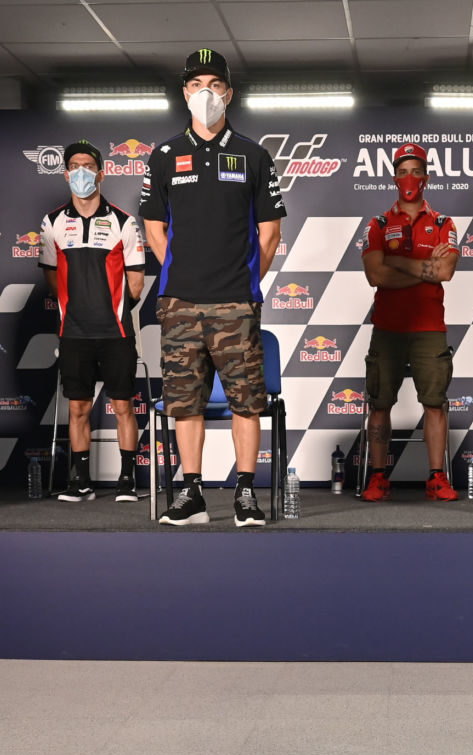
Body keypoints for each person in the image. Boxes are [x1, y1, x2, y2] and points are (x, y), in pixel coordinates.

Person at [140, 49, 286, 527]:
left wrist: (242, 280)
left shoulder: (253, 154)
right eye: (196, 83)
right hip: (180, 301)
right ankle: (192, 495)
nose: (206, 92)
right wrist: (183, 270)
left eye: (215, 83)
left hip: (236, 301)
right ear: (184, 93)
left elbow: (269, 234)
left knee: (246, 400)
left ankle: (246, 494)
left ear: (229, 92)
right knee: (185, 402)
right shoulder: (163, 156)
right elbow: (154, 229)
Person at [40, 140, 146, 502]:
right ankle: (80, 481)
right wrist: (77, 306)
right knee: (78, 407)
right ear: (66, 173)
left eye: (89, 165)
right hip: (73, 332)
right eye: (75, 166)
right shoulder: (52, 222)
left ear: (101, 174)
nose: (82, 171)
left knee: (123, 406)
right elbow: (51, 278)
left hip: (115, 330)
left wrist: (108, 307)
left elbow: (135, 282)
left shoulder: (123, 221)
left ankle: (127, 481)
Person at [358, 143, 460, 502]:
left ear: (426, 178)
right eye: (403, 172)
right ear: (394, 178)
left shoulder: (444, 223)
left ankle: (436, 478)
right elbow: (375, 275)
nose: (409, 178)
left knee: (435, 403)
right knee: (380, 403)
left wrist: (396, 261)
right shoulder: (378, 223)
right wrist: (422, 269)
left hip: (430, 329)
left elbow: (444, 270)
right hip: (387, 328)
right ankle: (377, 476)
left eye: (416, 171)